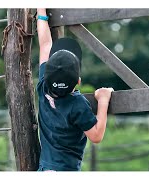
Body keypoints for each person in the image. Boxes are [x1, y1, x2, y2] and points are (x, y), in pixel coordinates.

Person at [36, 8, 114, 171]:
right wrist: (103, 100)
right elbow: (96, 135)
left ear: (48, 75)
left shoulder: (43, 86)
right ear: (78, 81)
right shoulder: (77, 104)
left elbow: (45, 45)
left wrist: (41, 11)